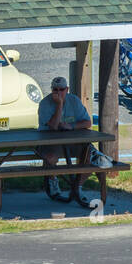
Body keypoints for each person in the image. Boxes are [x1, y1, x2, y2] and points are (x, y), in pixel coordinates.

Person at [37, 75, 93, 207]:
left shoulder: (74, 101)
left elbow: (88, 122)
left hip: (71, 141)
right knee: (50, 158)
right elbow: (54, 126)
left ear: (67, 89)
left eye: (61, 89)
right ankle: (52, 180)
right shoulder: (44, 104)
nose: (58, 92)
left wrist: (72, 126)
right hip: (49, 141)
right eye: (55, 89)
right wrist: (60, 104)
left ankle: (77, 187)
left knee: (91, 156)